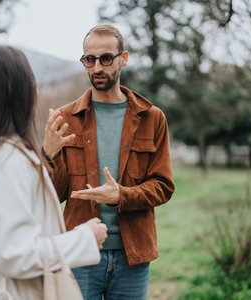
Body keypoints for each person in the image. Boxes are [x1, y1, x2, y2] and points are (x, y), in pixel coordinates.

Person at [0, 45, 107, 300]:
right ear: (17, 93)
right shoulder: (6, 163)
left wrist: (48, 154)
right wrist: (85, 238)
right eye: (31, 81)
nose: (36, 90)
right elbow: (16, 254)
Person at [42, 24, 175, 299]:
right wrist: (49, 154)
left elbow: (163, 186)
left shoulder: (152, 118)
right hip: (79, 250)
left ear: (122, 59)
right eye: (89, 60)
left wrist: (121, 196)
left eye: (106, 58)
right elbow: (52, 195)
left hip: (132, 255)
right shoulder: (66, 118)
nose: (97, 67)